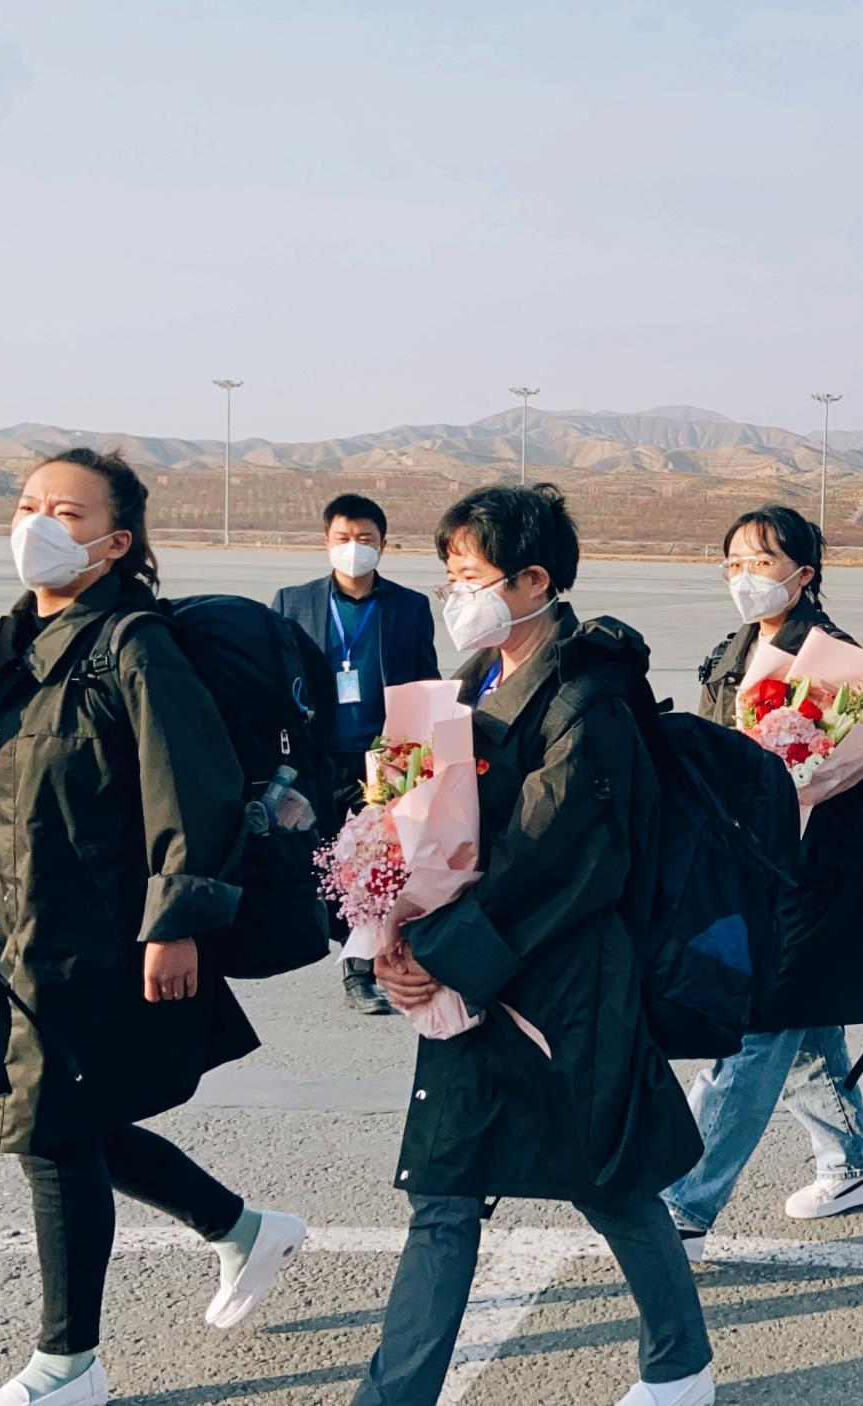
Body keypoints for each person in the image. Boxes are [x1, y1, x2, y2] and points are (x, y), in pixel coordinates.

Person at [359, 484, 714, 1406]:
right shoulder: (473, 680)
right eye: (448, 576)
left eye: (471, 576)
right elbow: (422, 821)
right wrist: (390, 927)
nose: (456, 595)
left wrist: (436, 947)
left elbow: (559, 860)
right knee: (444, 1192)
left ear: (535, 581)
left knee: (608, 1181)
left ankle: (681, 1367)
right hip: (471, 970)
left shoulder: (588, 696)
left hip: (564, 986)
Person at [0, 449, 303, 1406]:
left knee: (51, 1132)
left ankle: (67, 1365)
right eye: (28, 505)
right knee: (74, 1119)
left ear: (115, 544)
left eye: (66, 512)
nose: (38, 523)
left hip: (100, 934)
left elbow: (189, 787)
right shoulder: (3, 646)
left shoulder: (132, 644)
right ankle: (242, 1228)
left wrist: (177, 922)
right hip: (16, 928)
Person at [670, 506, 863, 1257]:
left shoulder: (839, 666)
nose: (746, 577)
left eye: (762, 562)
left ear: (804, 573)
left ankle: (681, 1202)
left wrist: (797, 823)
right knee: (804, 1030)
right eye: (734, 562)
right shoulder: (728, 656)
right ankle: (852, 1162)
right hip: (741, 880)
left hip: (811, 887)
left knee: (755, 1032)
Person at [270, 492, 441, 1016]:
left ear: (382, 545)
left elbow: (426, 681)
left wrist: (424, 757)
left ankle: (360, 969)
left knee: (376, 865)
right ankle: (346, 942)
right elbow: (274, 682)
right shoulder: (291, 602)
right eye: (343, 538)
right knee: (321, 860)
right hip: (318, 757)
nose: (354, 547)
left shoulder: (409, 607)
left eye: (365, 538)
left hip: (383, 758)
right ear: (326, 542)